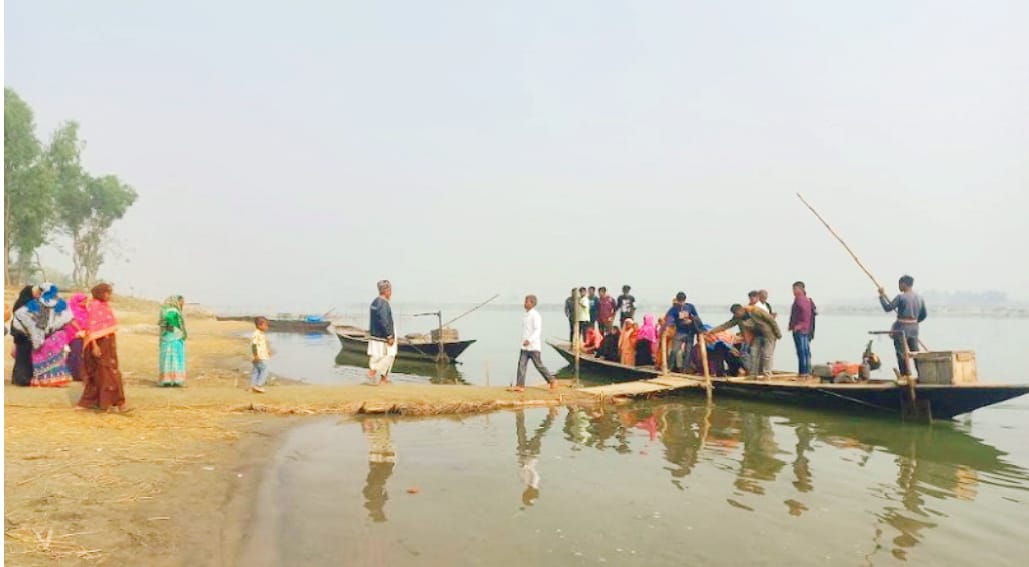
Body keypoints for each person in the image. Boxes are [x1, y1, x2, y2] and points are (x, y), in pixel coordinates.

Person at [12, 283, 75, 387]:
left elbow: (20, 316)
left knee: (41, 357)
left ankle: (41, 380)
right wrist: (54, 326)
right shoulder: (61, 303)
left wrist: (30, 330)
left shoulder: (34, 303)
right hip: (57, 336)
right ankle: (57, 380)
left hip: (39, 336)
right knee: (57, 357)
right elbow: (68, 319)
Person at [77, 283, 126, 411]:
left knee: (110, 372)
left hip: (108, 344)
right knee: (103, 374)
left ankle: (111, 402)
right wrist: (95, 346)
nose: (108, 296)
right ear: (99, 293)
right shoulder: (94, 306)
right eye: (106, 293)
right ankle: (114, 403)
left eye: (109, 293)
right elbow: (91, 327)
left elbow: (109, 327)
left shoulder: (105, 306)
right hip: (98, 344)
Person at [708, 304, 781, 379]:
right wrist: (711, 331)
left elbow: (771, 320)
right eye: (735, 314)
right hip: (757, 335)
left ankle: (767, 375)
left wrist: (778, 334)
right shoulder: (737, 317)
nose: (737, 315)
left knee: (766, 355)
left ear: (742, 310)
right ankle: (753, 374)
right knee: (753, 353)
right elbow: (726, 325)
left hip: (769, 334)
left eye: (738, 313)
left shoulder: (756, 311)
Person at [879, 275, 927, 376]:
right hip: (914, 329)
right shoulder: (920, 298)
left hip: (901, 329)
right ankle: (922, 374)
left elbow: (888, 308)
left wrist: (881, 296)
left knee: (901, 353)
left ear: (904, 284)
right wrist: (914, 322)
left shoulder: (901, 297)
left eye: (899, 284)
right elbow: (924, 315)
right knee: (915, 352)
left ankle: (905, 375)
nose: (899, 287)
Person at [513, 294, 556, 392]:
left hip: (533, 346)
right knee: (521, 365)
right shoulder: (526, 315)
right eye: (525, 301)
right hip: (524, 346)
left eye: (526, 301)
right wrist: (524, 341)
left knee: (539, 365)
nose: (524, 303)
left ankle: (552, 380)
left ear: (532, 303)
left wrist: (529, 340)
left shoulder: (535, 315)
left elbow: (537, 330)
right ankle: (520, 385)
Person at [9, 285, 40, 386]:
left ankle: (18, 378)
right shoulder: (29, 304)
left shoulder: (19, 303)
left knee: (20, 357)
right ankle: (24, 379)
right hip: (26, 335)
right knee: (25, 357)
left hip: (19, 335)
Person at [368, 280, 397, 385]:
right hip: (382, 336)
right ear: (385, 290)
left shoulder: (375, 302)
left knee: (377, 356)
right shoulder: (383, 303)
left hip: (375, 335)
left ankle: (383, 378)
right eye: (390, 290)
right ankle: (375, 372)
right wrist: (389, 335)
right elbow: (384, 321)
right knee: (390, 355)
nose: (391, 292)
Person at [665, 292, 702, 372]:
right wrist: (668, 326)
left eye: (682, 301)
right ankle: (669, 368)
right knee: (674, 350)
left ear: (685, 300)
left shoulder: (690, 307)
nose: (681, 303)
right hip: (680, 332)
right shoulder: (674, 309)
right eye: (679, 301)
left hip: (690, 332)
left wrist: (691, 321)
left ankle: (685, 369)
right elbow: (670, 319)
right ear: (677, 300)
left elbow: (696, 317)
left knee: (688, 352)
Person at [158, 295, 188, 386]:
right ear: (177, 301)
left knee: (166, 358)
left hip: (166, 337)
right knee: (176, 358)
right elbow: (173, 322)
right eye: (182, 301)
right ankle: (176, 379)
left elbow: (161, 324)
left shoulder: (164, 310)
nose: (183, 303)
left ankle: (166, 379)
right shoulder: (174, 311)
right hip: (175, 338)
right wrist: (176, 330)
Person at [788, 281, 816, 377]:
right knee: (806, 351)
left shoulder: (799, 299)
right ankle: (807, 371)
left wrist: (798, 325)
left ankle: (803, 372)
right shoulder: (808, 300)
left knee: (802, 352)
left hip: (800, 329)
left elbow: (803, 313)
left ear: (801, 289)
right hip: (806, 329)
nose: (793, 291)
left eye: (795, 289)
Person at [66, 293, 90, 382]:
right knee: (75, 354)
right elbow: (71, 322)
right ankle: (75, 374)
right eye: (82, 302)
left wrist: (85, 332)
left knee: (83, 354)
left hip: (84, 335)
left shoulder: (86, 310)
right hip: (73, 335)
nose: (84, 303)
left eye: (85, 301)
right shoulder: (70, 311)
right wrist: (79, 331)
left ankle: (81, 373)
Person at [250, 316, 272, 393]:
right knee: (265, 370)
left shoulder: (261, 334)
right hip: (260, 357)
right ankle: (259, 385)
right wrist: (256, 355)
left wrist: (268, 350)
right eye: (266, 325)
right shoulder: (257, 334)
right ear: (260, 325)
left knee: (256, 371)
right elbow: (254, 345)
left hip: (262, 355)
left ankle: (253, 386)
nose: (267, 327)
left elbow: (263, 344)